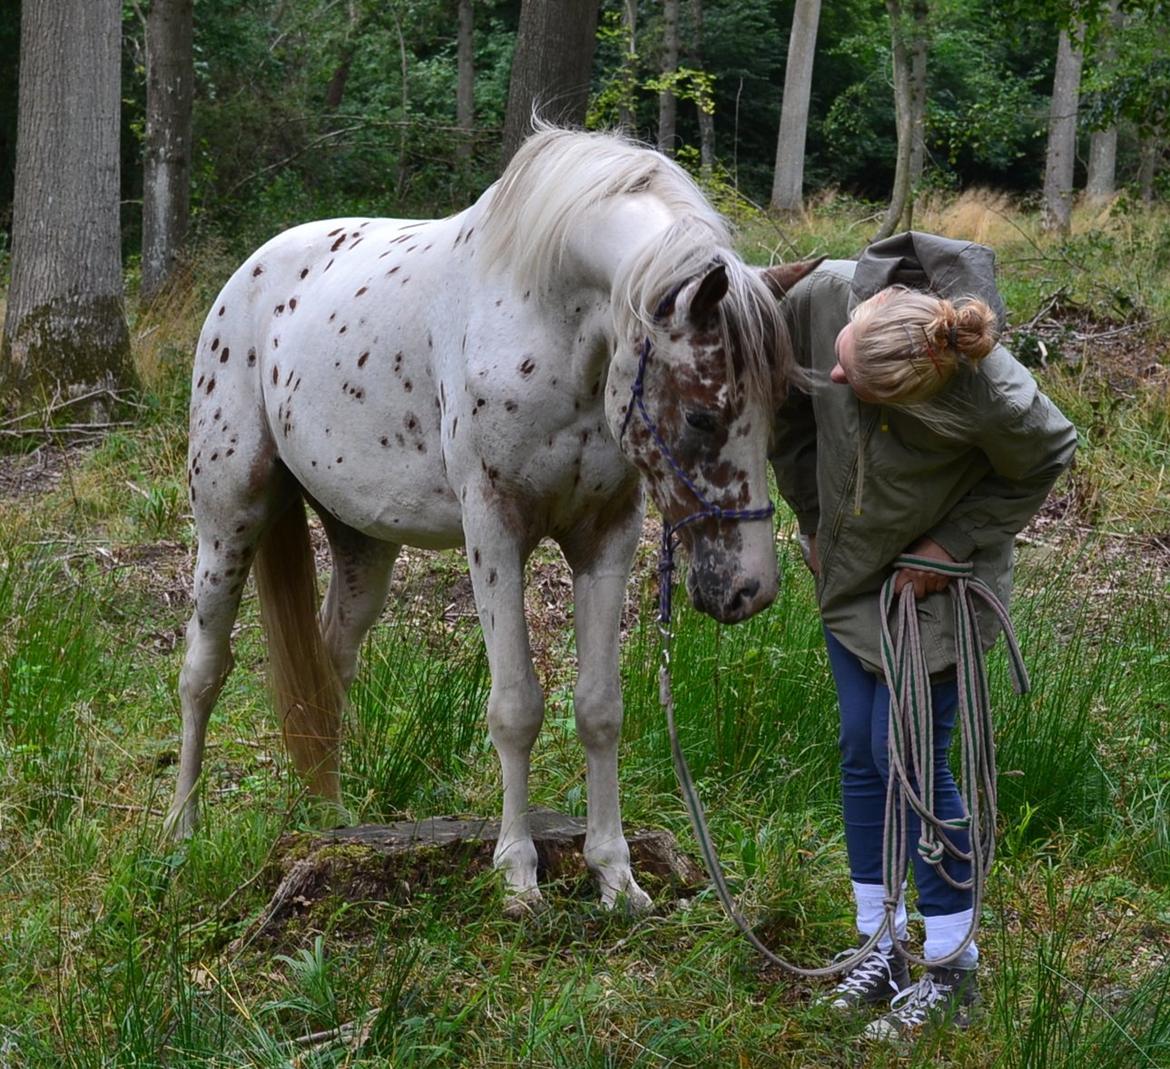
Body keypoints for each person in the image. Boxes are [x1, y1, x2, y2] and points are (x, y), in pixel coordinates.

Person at [770, 232, 1077, 1042]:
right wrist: (807, 513)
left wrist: (952, 547)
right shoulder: (823, 298)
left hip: (934, 590)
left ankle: (951, 961)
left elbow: (1050, 452)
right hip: (850, 578)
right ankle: (883, 942)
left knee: (908, 757)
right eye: (841, 359)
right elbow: (790, 410)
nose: (837, 375)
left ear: (921, 395)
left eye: (858, 384)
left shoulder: (991, 390)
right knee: (860, 750)